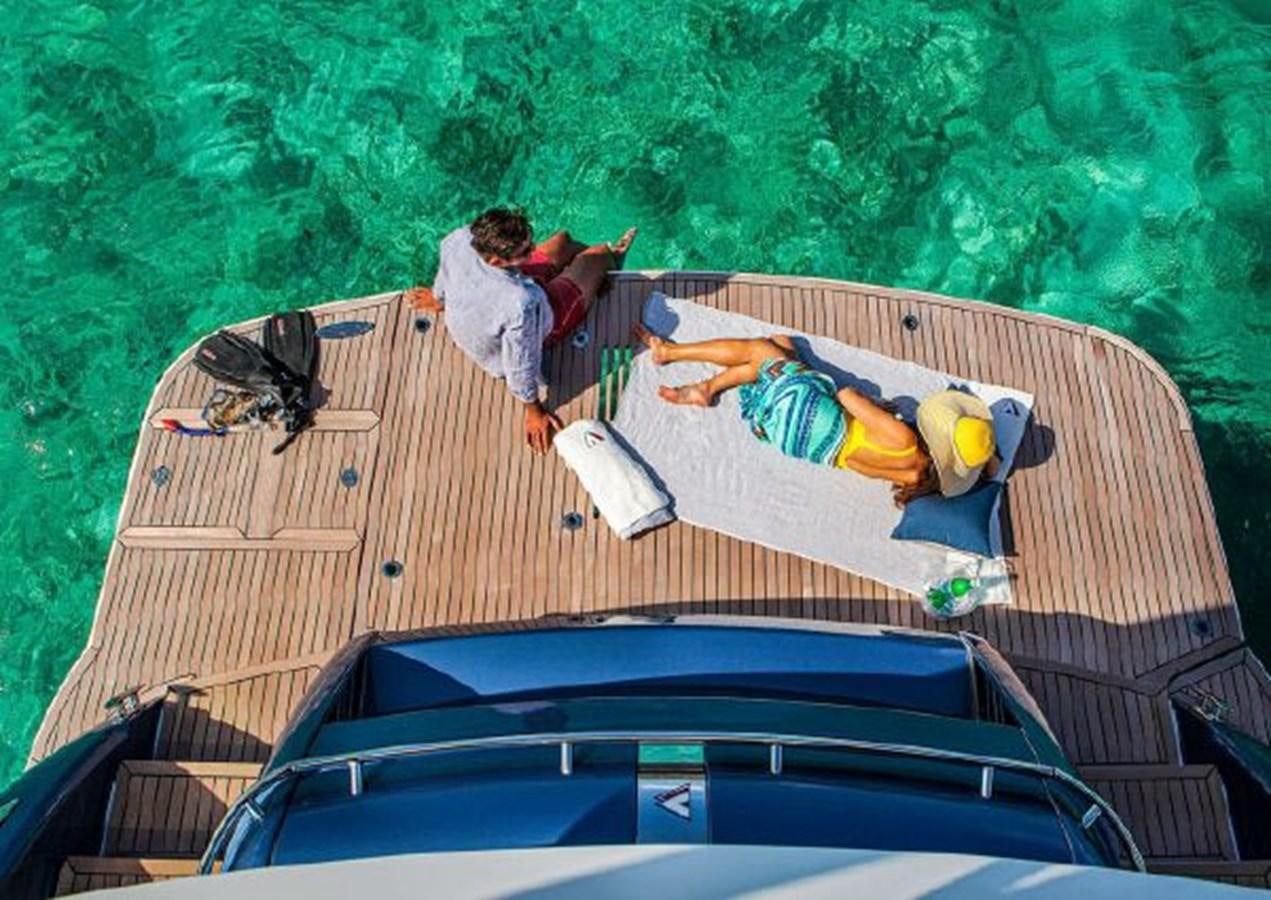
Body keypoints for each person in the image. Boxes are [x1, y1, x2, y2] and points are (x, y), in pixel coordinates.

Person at [632, 324, 998, 505]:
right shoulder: (915, 480)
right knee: (783, 349)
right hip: (795, 441)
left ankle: (670, 353)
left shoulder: (903, 440)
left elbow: (848, 395)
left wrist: (880, 407)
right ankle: (705, 390)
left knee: (763, 350)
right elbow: (853, 461)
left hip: (818, 420)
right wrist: (984, 466)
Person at [406, 207, 638, 453]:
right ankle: (608, 267)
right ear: (496, 260)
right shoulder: (520, 305)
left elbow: (446, 274)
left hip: (514, 287)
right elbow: (520, 361)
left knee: (563, 240)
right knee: (599, 254)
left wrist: (440, 299)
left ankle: (583, 274)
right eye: (525, 251)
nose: (532, 249)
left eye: (530, 243)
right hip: (544, 319)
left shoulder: (459, 239)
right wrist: (533, 409)